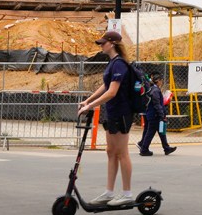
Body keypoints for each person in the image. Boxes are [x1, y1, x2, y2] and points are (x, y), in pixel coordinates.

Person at [75, 28, 138, 205]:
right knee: (111, 151)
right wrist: (87, 100)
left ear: (113, 44)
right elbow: (105, 86)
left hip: (122, 112)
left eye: (103, 43)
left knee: (122, 153)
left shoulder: (119, 64)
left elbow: (112, 92)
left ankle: (127, 194)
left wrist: (90, 106)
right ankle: (109, 192)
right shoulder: (112, 63)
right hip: (112, 112)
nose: (101, 46)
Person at [137, 66, 175, 157]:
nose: (162, 82)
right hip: (154, 115)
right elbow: (157, 105)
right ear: (158, 81)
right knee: (151, 132)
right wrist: (162, 115)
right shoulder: (155, 91)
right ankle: (144, 149)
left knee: (161, 132)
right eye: (161, 80)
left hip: (154, 115)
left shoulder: (153, 89)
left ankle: (166, 148)